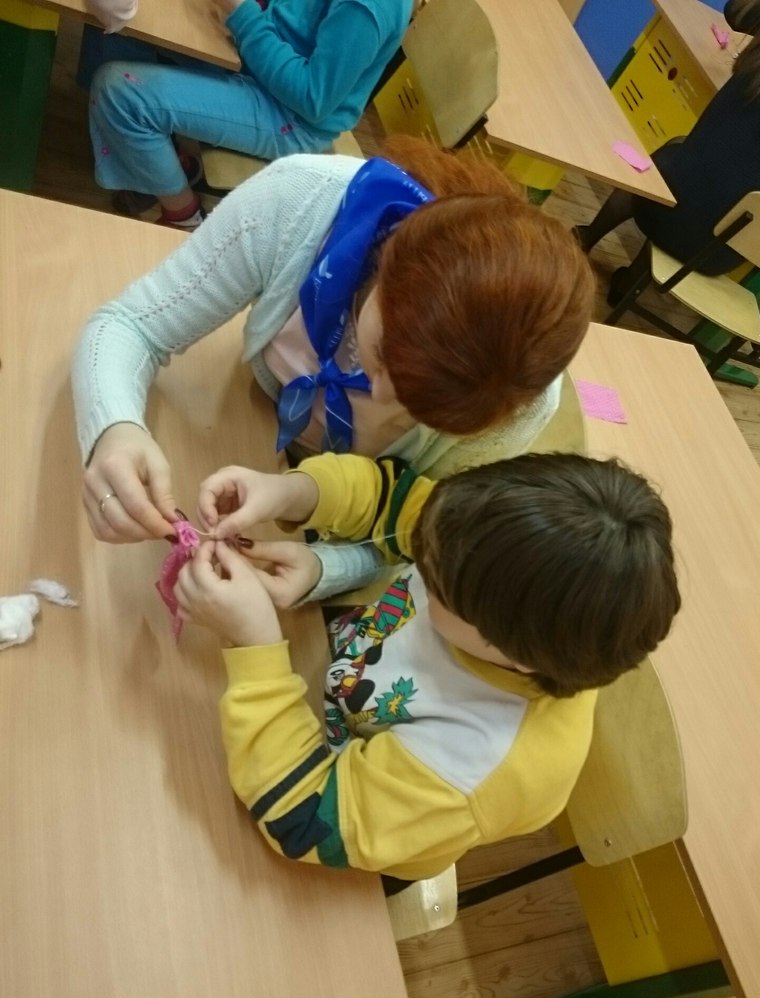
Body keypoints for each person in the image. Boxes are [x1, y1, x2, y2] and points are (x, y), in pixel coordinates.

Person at [171, 450, 681, 882]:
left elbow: (303, 819)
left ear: (512, 654)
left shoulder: (482, 764)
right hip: (325, 688)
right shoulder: (482, 545)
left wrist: (254, 643)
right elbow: (389, 499)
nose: (421, 559)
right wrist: (291, 492)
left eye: (433, 583)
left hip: (347, 821)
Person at [73, 136, 594, 546]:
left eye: (422, 409)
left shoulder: (518, 403)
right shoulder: (298, 201)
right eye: (384, 357)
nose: (381, 397)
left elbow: (418, 526)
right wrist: (115, 429)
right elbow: (130, 324)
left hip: (339, 520)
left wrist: (321, 569)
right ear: (387, 263)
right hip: (245, 422)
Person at [88, 0, 412, 228]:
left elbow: (313, 99)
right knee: (123, 22)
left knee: (120, 91)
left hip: (291, 115)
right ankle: (161, 163)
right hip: (262, 55)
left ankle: (184, 215)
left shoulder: (369, 7)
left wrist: (242, 14)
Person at [579, 0, 760, 290]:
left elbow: (735, 11)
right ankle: (629, 285)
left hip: (662, 203)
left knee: (682, 159)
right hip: (717, 251)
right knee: (712, 186)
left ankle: (587, 237)